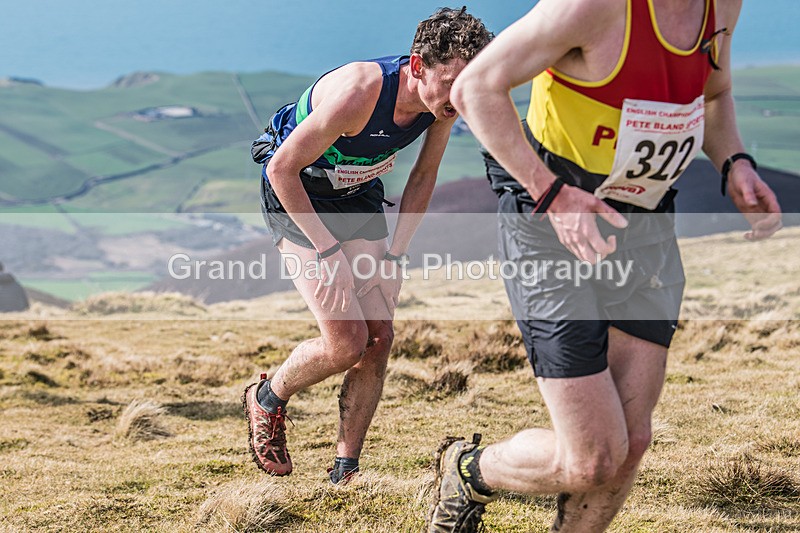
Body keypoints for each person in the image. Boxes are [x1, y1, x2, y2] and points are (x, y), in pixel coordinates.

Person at [428, 0, 782, 531]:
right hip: (552, 222)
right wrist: (552, 194)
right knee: (591, 458)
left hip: (644, 225)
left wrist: (735, 162)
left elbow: (715, 93)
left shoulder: (722, 5)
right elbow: (474, 89)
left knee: (632, 442)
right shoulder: (593, 7)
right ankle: (468, 471)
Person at [243, 7, 492, 484]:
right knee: (345, 342)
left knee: (379, 338)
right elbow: (280, 170)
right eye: (453, 82)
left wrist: (396, 256)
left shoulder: (442, 104)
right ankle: (268, 397)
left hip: (357, 199)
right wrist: (327, 252)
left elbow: (423, 176)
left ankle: (345, 471)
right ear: (418, 66)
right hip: (297, 196)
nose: (460, 98)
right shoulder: (360, 93)